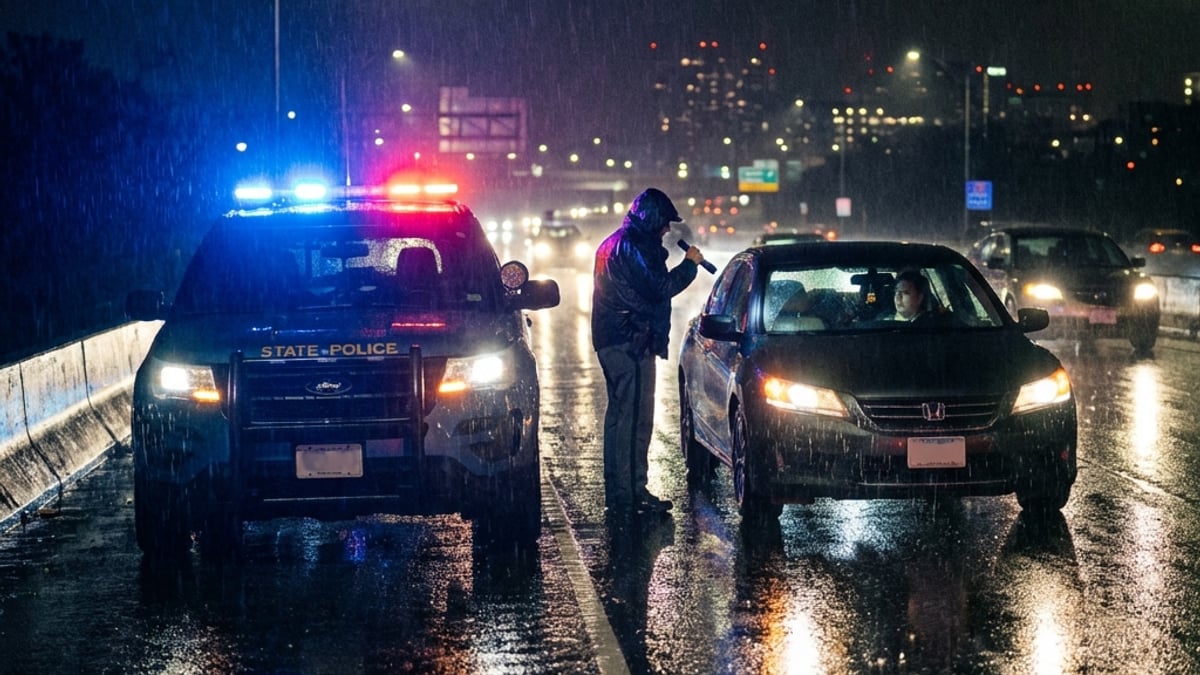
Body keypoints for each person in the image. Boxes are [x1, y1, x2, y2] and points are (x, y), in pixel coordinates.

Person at [591, 187, 706, 514]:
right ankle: (632, 495)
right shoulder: (634, 247)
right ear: (653, 219)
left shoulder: (616, 243)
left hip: (615, 339)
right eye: (665, 222)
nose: (668, 229)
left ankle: (620, 493)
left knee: (619, 418)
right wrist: (690, 265)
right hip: (632, 339)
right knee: (635, 419)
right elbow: (661, 288)